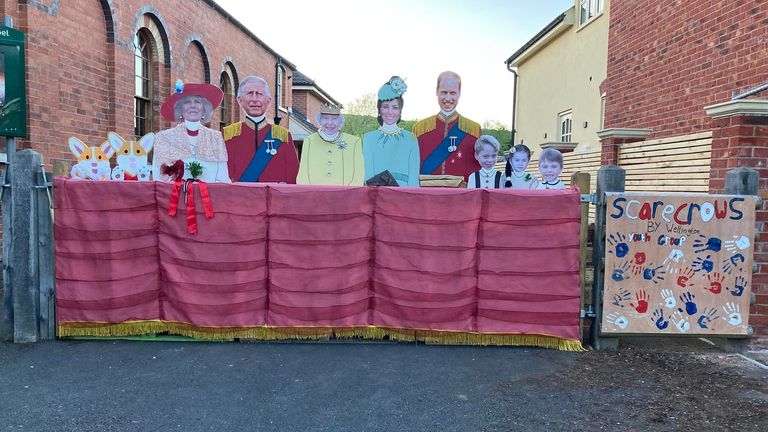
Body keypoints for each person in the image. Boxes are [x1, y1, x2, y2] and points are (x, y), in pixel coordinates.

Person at [223, 75, 299, 183]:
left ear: (268, 101)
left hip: (274, 199)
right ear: (239, 100)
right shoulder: (228, 135)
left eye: (259, 94)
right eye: (250, 93)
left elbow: (293, 178)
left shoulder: (283, 136)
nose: (254, 99)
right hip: (240, 198)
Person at [152, 80, 231, 182]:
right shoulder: (163, 138)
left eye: (197, 102)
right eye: (187, 102)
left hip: (208, 196)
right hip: (175, 196)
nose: (192, 105)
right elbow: (158, 178)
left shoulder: (215, 137)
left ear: (204, 108)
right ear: (180, 109)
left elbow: (223, 178)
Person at [413, 71, 481, 180]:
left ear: (459, 93)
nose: (448, 98)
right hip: (427, 194)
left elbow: (475, 172)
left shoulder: (473, 129)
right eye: (444, 92)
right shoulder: (420, 128)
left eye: (452, 93)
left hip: (460, 195)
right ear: (437, 92)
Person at [362, 76, 420, 187]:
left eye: (395, 107)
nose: (390, 112)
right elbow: (368, 174)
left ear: (400, 111)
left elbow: (414, 175)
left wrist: (411, 198)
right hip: (377, 194)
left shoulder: (411, 138)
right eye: (385, 107)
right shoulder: (368, 138)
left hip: (404, 195)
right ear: (379, 109)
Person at [297, 104, 364, 185]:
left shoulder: (354, 142)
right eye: (325, 118)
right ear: (320, 121)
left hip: (345, 195)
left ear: (340, 122)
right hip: (316, 194)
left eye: (334, 119)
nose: (329, 123)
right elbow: (303, 174)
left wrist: (350, 194)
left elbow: (359, 174)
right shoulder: (309, 140)